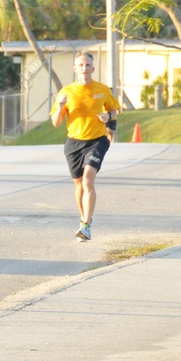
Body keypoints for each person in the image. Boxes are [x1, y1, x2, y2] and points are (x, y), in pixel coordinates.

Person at [50, 51, 120, 242]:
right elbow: (56, 122)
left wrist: (108, 117)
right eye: (81, 65)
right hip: (73, 143)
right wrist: (60, 106)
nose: (84, 69)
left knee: (88, 180)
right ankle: (83, 220)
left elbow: (115, 109)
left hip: (97, 140)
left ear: (93, 69)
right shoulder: (66, 92)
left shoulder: (102, 89)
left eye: (88, 65)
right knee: (79, 184)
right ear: (75, 69)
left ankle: (86, 226)